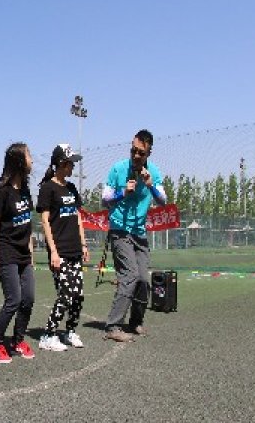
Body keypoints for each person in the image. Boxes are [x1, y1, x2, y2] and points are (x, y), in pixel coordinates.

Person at [101, 129, 166, 342]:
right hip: (119, 230)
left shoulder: (153, 172)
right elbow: (104, 200)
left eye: (141, 153)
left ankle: (135, 322)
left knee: (143, 280)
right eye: (133, 150)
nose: (136, 155)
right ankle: (113, 326)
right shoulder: (118, 169)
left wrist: (151, 186)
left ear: (149, 153)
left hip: (140, 233)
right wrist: (123, 193)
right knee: (129, 276)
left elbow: (163, 201)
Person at [36, 144, 90, 352]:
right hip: (60, 251)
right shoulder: (47, 188)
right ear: (61, 163)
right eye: (70, 163)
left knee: (78, 295)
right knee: (66, 293)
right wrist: (53, 252)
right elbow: (45, 221)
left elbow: (78, 218)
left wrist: (83, 244)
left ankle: (70, 331)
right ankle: (48, 335)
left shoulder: (72, 188)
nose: (73, 166)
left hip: (75, 249)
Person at [0, 142, 36, 363]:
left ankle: (18, 341)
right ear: (18, 161)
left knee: (28, 299)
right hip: (6, 252)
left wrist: (31, 254)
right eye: (29, 155)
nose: (32, 160)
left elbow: (28, 225)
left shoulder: (25, 191)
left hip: (24, 254)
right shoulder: (1, 192)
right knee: (13, 300)